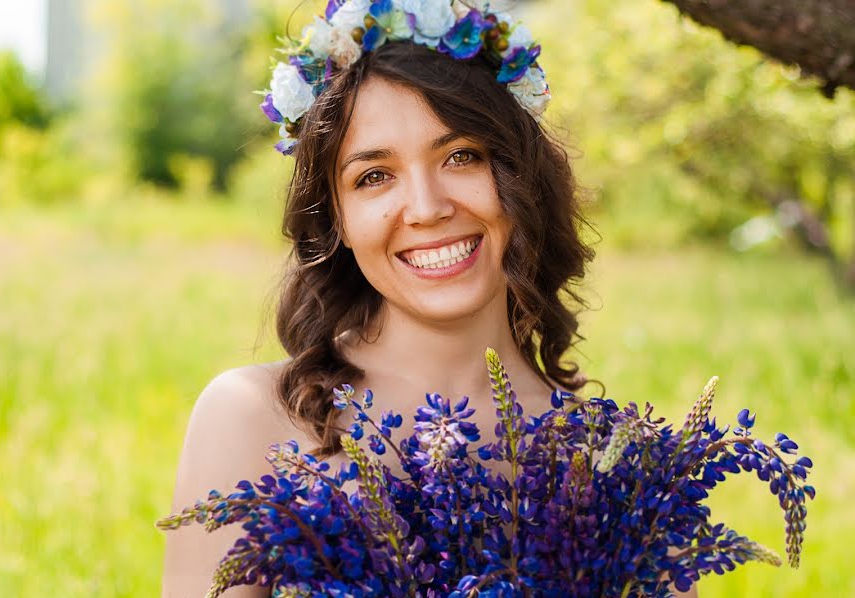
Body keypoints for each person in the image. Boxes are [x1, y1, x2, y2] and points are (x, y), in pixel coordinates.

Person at [162, 2, 697, 596]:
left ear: (520, 175)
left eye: (461, 156)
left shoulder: (619, 462)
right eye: (374, 176)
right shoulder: (252, 416)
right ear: (335, 218)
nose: (427, 207)